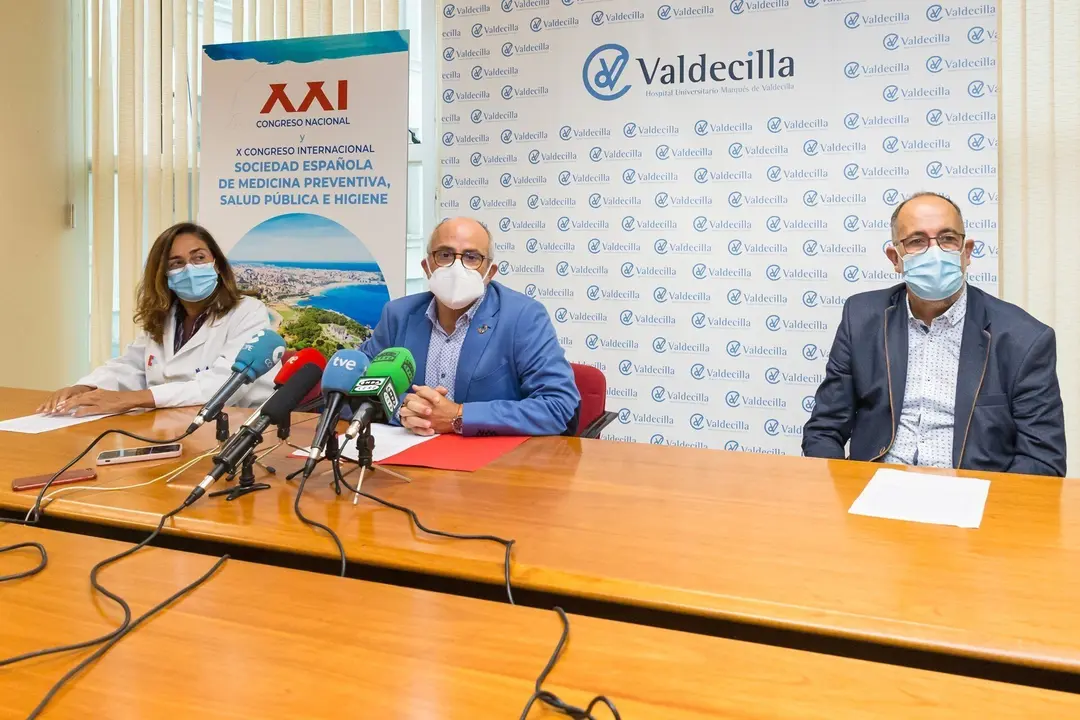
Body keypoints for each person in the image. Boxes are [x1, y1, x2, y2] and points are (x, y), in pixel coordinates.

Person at [802, 192, 1066, 476]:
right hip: (874, 486)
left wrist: (987, 502)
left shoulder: (1024, 339)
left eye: (947, 239)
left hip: (973, 494)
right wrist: (842, 492)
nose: (935, 253)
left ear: (966, 252)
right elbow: (824, 428)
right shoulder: (860, 318)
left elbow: (1041, 460)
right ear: (895, 258)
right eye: (916, 241)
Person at [359, 217, 580, 437]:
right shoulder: (398, 314)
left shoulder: (523, 317)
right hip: (410, 451)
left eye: (471, 257)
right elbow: (355, 389)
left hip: (493, 456)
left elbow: (558, 406)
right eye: (445, 255)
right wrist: (403, 409)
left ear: (490, 272)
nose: (457, 268)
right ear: (427, 267)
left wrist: (459, 416)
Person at [38, 222, 276, 417]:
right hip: (172, 422)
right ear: (164, 275)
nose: (189, 269)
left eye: (199, 258)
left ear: (217, 265)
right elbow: (131, 366)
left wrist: (131, 399)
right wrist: (84, 387)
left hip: (240, 423)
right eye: (177, 263)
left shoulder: (248, 312)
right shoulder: (166, 315)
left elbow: (226, 385)